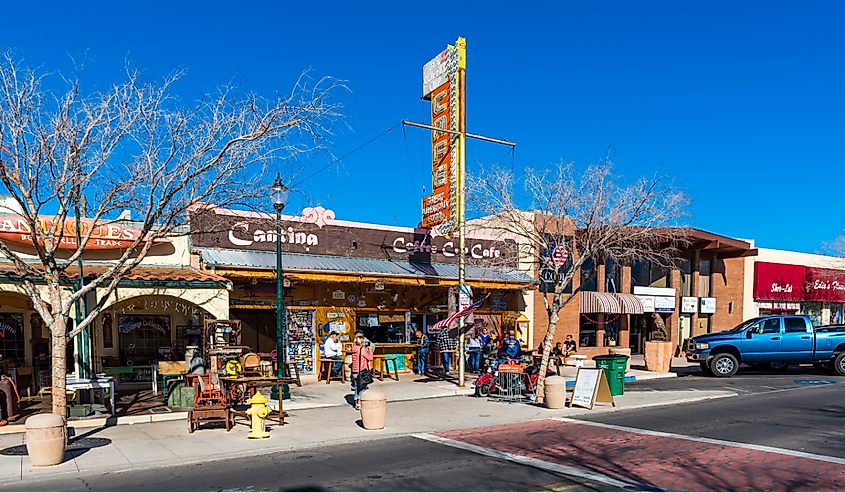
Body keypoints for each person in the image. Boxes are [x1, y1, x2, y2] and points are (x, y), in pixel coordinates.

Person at [349, 335, 373, 410]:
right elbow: (370, 358)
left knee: (357, 387)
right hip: (361, 371)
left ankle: (356, 401)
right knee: (362, 388)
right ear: (361, 343)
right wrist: (370, 351)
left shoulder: (354, 349)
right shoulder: (362, 350)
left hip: (355, 371)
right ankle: (359, 403)